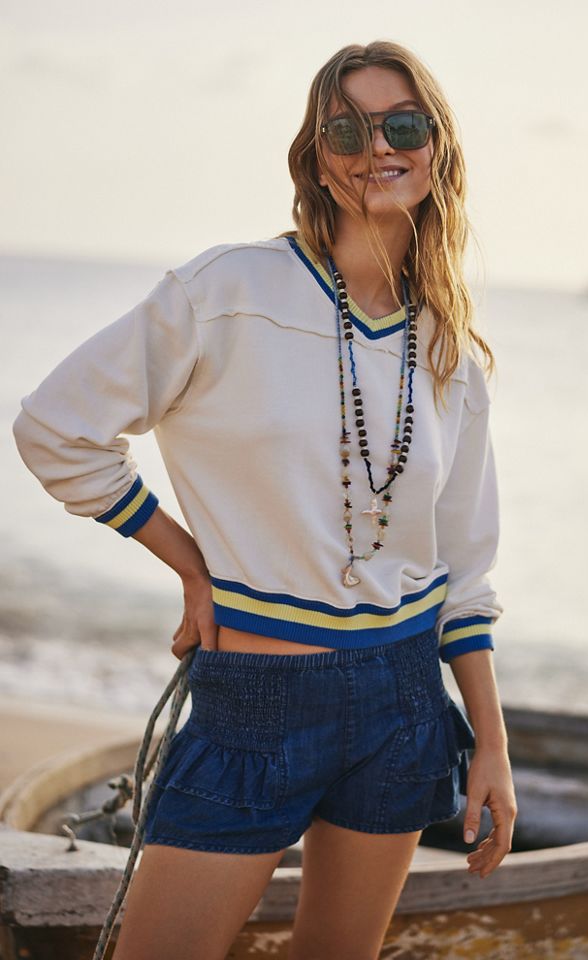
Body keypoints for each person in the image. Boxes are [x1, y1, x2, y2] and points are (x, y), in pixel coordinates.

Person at [12, 39, 517, 960]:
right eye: (346, 131)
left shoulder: (450, 349)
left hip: (404, 697)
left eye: (402, 125)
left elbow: (463, 569)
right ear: (316, 161)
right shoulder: (229, 291)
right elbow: (56, 430)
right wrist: (191, 565)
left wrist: (492, 744)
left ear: (437, 147)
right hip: (256, 699)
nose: (377, 147)